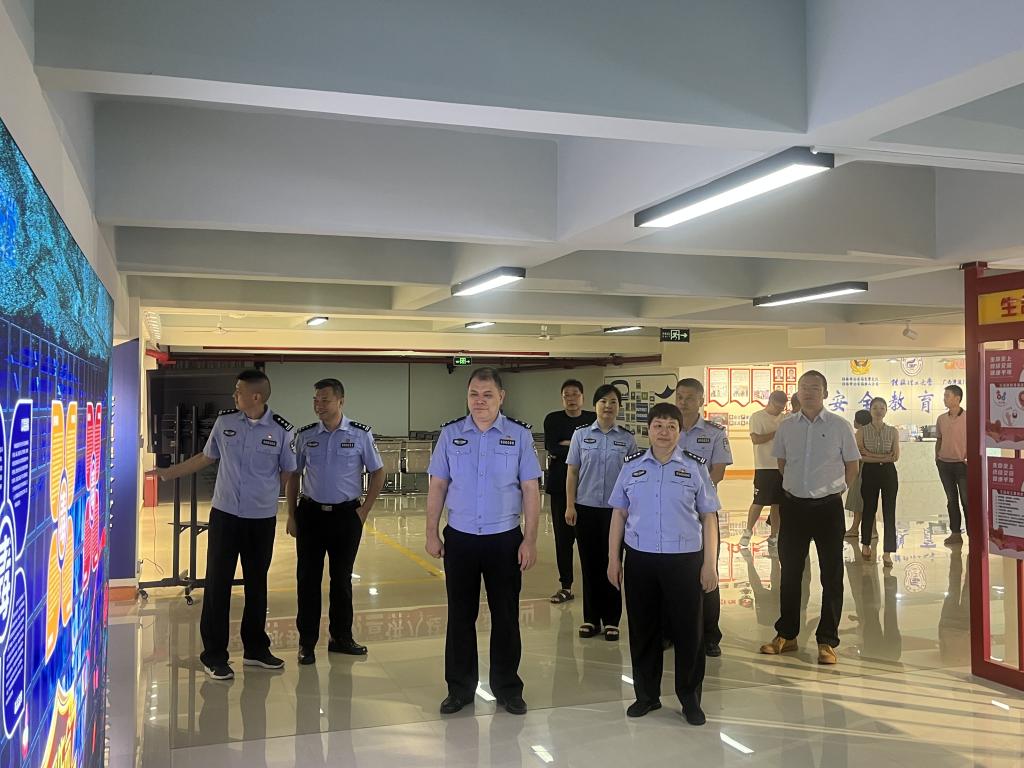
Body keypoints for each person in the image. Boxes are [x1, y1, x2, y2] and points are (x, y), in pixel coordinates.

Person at [155, 369, 296, 679]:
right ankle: (214, 655)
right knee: (217, 584)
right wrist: (168, 473)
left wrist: (267, 493)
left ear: (256, 397)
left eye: (239, 391)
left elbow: (288, 470)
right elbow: (206, 457)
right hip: (226, 516)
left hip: (261, 519)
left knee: (257, 584)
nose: (234, 395)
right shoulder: (225, 423)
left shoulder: (282, 430)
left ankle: (256, 649)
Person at [425, 367, 542, 715]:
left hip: (504, 539)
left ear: (501, 397)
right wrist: (431, 532)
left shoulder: (519, 436)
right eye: (474, 394)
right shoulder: (450, 434)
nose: (480, 401)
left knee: (506, 616)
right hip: (460, 538)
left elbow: (530, 489)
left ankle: (507, 688)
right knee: (460, 615)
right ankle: (459, 689)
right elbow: (437, 485)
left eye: (488, 394)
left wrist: (530, 540)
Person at [607, 403, 720, 726]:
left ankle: (690, 699)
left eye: (671, 426)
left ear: (680, 432)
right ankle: (646, 695)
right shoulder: (631, 466)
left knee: (689, 633)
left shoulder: (695, 467)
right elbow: (619, 514)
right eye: (658, 425)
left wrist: (709, 564)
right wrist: (613, 559)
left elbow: (709, 517)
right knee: (643, 629)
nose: (664, 432)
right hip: (640, 558)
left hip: (684, 560)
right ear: (648, 429)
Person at [759, 370, 860, 665]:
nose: (808, 392)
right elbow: (782, 464)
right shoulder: (787, 426)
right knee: (790, 573)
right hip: (794, 508)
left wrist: (835, 490)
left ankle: (827, 640)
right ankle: (786, 634)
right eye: (803, 387)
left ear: (825, 393)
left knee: (832, 574)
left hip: (828, 508)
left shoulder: (840, 426)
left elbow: (852, 466)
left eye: (815, 388)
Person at [285, 378, 386, 664]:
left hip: (345, 516)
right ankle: (306, 643)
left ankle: (341, 638)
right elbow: (294, 475)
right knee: (307, 580)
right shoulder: (305, 435)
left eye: (325, 400)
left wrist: (364, 511)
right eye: (316, 400)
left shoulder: (360, 434)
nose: (319, 405)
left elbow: (378, 472)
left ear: (341, 401)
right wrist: (291, 514)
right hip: (311, 515)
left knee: (341, 580)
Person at [565, 384, 637, 640]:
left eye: (613, 402)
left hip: (616, 512)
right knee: (589, 565)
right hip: (585, 509)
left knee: (613, 562)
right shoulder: (581, 435)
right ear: (594, 405)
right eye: (603, 401)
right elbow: (572, 472)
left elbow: (633, 478)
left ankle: (612, 620)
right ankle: (591, 619)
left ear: (619, 407)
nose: (608, 406)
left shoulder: (627, 439)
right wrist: (570, 504)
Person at [675, 378, 731, 657]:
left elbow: (717, 471)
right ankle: (671, 631)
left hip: (702, 512)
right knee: (673, 574)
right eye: (679, 397)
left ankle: (710, 635)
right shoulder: (667, 428)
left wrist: (692, 494)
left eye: (689, 397)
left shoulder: (714, 433)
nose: (683, 402)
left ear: (701, 400)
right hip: (672, 512)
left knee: (707, 572)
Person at [543, 379, 596, 603]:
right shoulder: (553, 419)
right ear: (562, 398)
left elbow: (595, 450)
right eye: (567, 395)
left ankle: (594, 586)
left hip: (588, 488)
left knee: (590, 541)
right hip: (560, 488)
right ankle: (566, 586)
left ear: (583, 397)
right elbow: (552, 447)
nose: (571, 399)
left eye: (575, 394)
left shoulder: (592, 418)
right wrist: (579, 446)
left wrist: (568, 444)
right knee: (563, 540)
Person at [740, 390, 788, 548]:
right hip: (764, 466)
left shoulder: (785, 419)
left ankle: (775, 535)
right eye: (777, 407)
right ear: (770, 401)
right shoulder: (757, 417)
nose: (780, 410)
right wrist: (776, 433)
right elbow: (756, 439)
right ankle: (748, 531)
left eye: (782, 408)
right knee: (759, 501)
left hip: (782, 466)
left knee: (777, 504)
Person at [857, 397, 900, 567]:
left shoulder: (893, 431)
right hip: (869, 472)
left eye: (882, 408)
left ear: (886, 410)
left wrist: (871, 455)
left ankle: (887, 552)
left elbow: (895, 456)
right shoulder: (862, 431)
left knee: (890, 511)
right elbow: (861, 456)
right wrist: (882, 457)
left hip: (889, 473)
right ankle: (866, 544)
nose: (878, 411)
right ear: (870, 410)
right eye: (875, 407)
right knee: (869, 509)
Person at [935, 384, 968, 546]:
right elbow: (939, 440)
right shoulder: (941, 419)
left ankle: (973, 535)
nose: (944, 399)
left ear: (957, 398)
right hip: (944, 465)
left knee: (966, 500)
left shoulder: (968, 417)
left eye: (947, 396)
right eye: (944, 396)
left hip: (963, 465)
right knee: (951, 500)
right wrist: (937, 458)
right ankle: (955, 533)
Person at [844, 409, 872, 538]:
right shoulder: (870, 433)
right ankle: (867, 530)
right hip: (866, 470)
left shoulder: (859, 434)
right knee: (864, 501)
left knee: (858, 500)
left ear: (859, 422)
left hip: (860, 470)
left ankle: (855, 528)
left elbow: (856, 454)